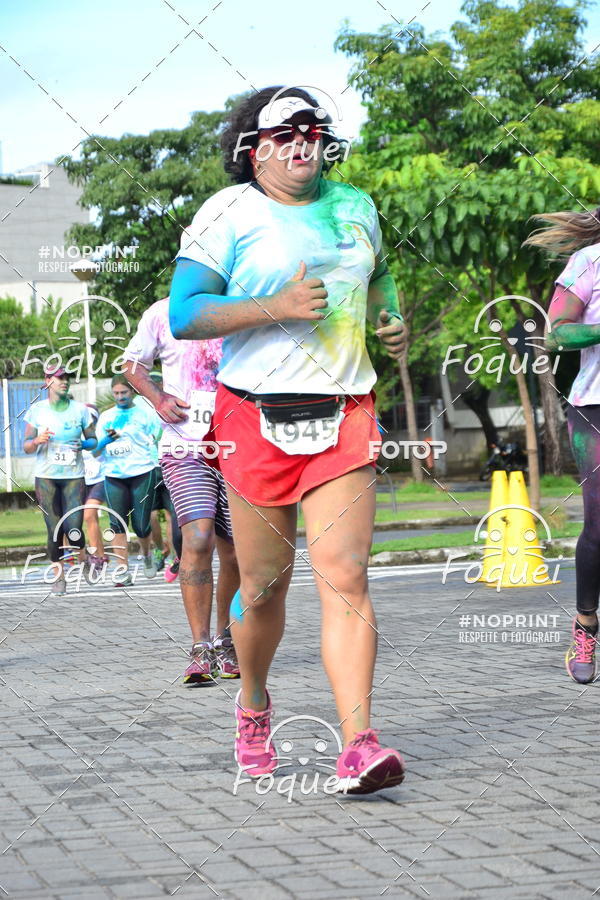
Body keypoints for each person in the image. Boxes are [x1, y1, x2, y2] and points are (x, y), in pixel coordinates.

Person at [168, 86, 407, 793]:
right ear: (255, 148)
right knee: (265, 587)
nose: (304, 140)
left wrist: (389, 319)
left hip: (345, 408)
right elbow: (186, 313)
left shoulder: (356, 206)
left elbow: (383, 276)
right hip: (254, 419)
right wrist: (272, 306)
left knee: (346, 574)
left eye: (315, 129)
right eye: (286, 130)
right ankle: (252, 705)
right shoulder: (229, 212)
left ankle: (358, 743)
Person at [123, 298, 241, 682]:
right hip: (184, 447)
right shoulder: (163, 312)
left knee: (236, 551)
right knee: (198, 539)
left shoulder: (244, 303)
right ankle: (200, 646)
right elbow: (132, 366)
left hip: (241, 446)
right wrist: (158, 398)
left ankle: (227, 640)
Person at [528, 207, 600, 683]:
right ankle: (587, 625)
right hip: (596, 408)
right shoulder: (590, 261)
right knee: (599, 521)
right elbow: (559, 333)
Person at [23, 366, 97, 594]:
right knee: (53, 527)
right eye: (59, 378)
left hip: (74, 477)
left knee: (73, 527)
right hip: (46, 477)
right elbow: (25, 446)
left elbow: (93, 440)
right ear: (47, 381)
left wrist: (84, 444)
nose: (64, 382)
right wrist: (37, 441)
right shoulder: (37, 411)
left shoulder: (80, 410)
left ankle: (85, 558)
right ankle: (59, 577)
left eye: (67, 378)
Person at [94, 374, 161, 586]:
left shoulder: (145, 414)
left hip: (142, 472)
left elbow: (158, 437)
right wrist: (105, 440)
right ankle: (122, 570)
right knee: (117, 522)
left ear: (132, 391)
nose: (120, 397)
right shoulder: (106, 417)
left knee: (141, 525)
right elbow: (95, 451)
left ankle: (147, 554)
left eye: (124, 392)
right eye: (116, 393)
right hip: (114, 476)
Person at [82, 403, 108, 573]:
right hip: (81, 480)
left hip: (101, 478)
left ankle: (97, 557)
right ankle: (99, 555)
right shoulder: (74, 435)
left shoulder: (102, 434)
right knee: (84, 519)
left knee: (89, 514)